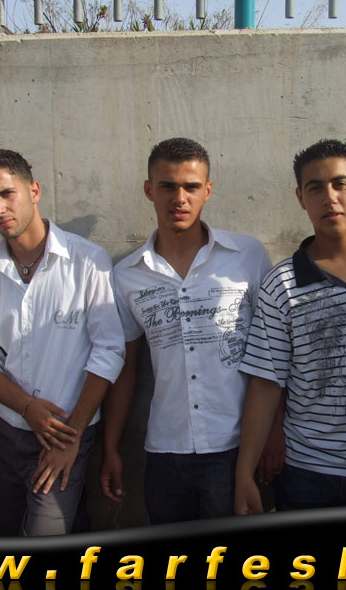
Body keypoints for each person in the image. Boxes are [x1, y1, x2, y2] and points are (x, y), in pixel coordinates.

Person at [100, 137, 273, 524]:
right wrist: (111, 447)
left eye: (191, 187)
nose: (179, 198)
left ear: (207, 190)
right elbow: (126, 366)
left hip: (236, 447)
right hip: (165, 452)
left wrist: (274, 431)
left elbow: (274, 352)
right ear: (149, 190)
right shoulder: (127, 275)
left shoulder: (247, 256)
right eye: (167, 186)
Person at [234, 139, 346, 514]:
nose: (329, 198)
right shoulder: (281, 284)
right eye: (315, 188)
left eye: (339, 184)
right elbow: (266, 383)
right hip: (306, 474)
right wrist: (244, 473)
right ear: (301, 198)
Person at [0, 149, 125, 535]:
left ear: (34, 190)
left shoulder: (86, 261)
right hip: (7, 431)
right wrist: (26, 407)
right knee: (9, 532)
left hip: (68, 433)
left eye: (7, 193)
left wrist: (72, 436)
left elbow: (110, 350)